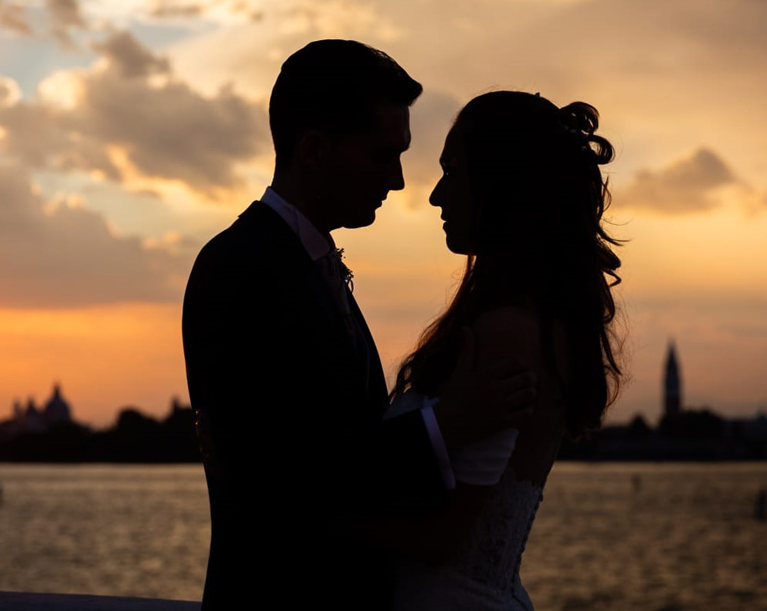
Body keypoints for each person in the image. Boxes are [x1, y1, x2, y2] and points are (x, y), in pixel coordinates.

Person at [181, 41, 536, 611]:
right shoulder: (238, 268)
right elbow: (281, 478)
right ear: (316, 150)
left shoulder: (305, 267)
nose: (399, 183)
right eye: (381, 156)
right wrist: (448, 426)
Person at [383, 90, 624, 610]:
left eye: (452, 172)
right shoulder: (532, 321)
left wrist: (298, 505)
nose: (436, 196)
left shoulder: (507, 333)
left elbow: (441, 538)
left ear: (497, 183)